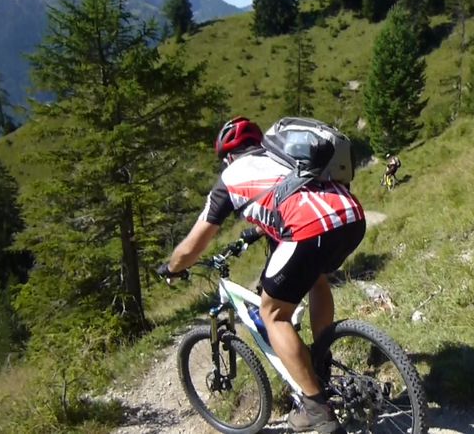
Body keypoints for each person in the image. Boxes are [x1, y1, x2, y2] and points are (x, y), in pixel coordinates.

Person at [156, 116, 365, 434]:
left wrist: (173, 267)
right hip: (350, 217)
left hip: (309, 229)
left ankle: (317, 411)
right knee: (315, 279)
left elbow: (194, 245)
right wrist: (257, 231)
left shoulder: (230, 177)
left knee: (273, 314)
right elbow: (286, 196)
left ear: (228, 156)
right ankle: (321, 362)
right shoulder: (281, 157)